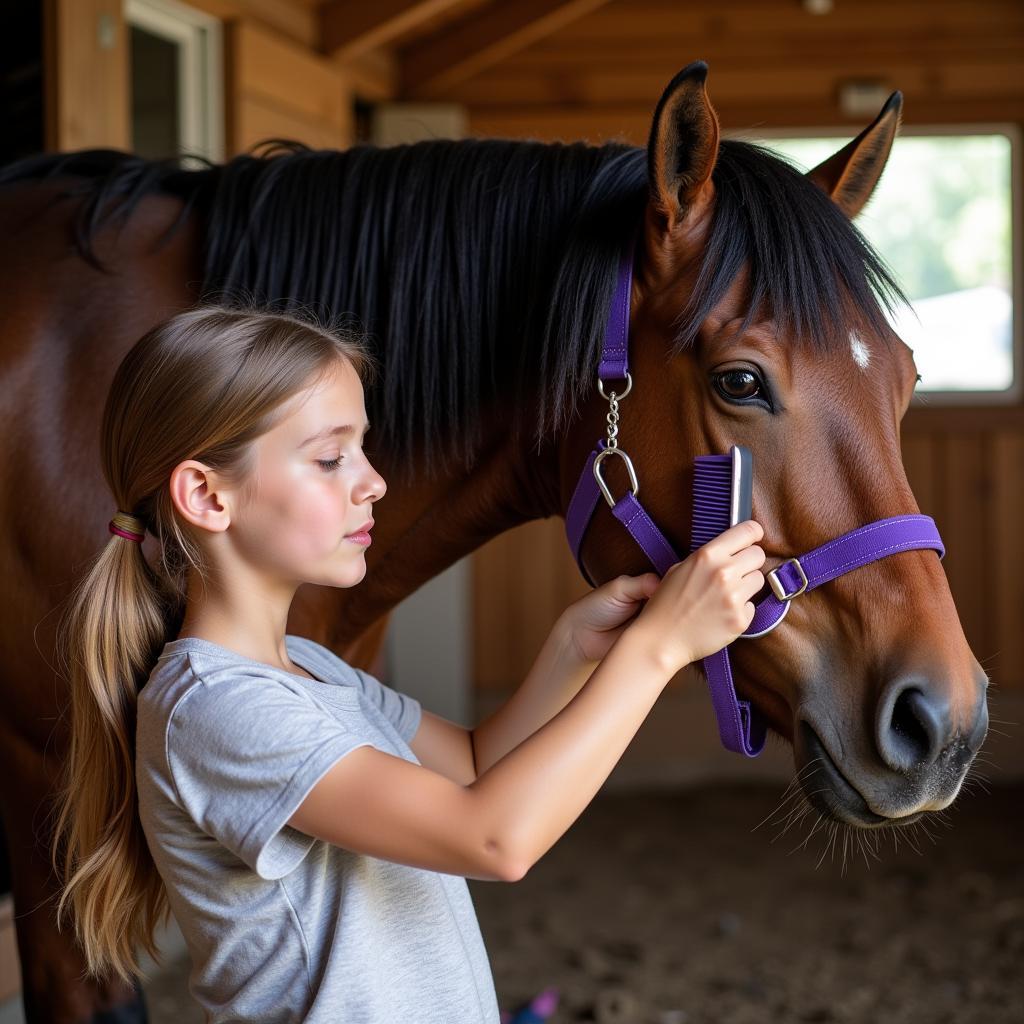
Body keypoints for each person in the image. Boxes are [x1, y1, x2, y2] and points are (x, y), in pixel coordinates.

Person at [50, 303, 766, 1023]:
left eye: (362, 449)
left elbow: (475, 765)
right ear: (207, 495)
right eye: (331, 459)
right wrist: (659, 651)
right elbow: (493, 836)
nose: (374, 483)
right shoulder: (214, 708)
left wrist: (572, 651)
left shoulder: (307, 668)